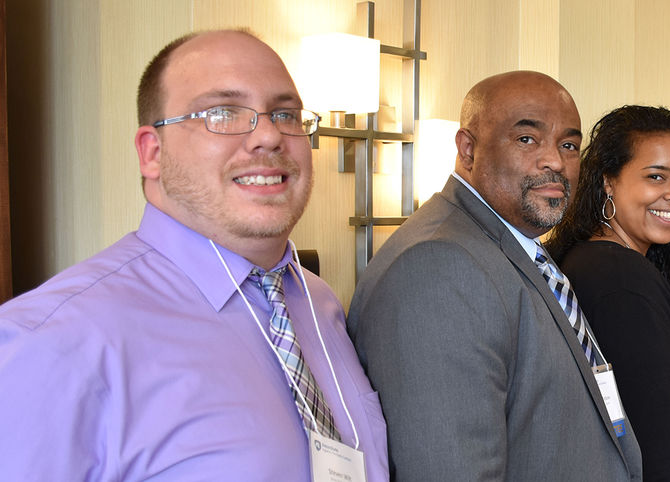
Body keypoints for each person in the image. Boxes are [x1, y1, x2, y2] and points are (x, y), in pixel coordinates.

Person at [0, 30, 388, 481]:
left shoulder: (319, 304)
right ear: (152, 153)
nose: (268, 135)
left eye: (286, 114)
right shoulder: (50, 343)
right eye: (222, 113)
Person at [346, 71, 642, 481]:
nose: (555, 161)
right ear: (467, 150)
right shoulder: (438, 267)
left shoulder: (511, 244)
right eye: (527, 140)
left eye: (569, 145)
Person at [546, 105, 670, 481]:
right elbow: (664, 453)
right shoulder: (621, 281)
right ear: (608, 182)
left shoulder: (594, 261)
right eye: (656, 176)